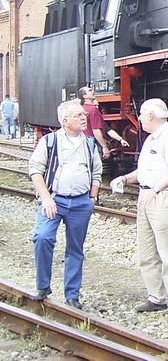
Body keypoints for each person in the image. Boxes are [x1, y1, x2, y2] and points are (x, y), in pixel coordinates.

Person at [109, 98, 168, 315]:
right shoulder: (152, 139)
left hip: (164, 196)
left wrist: (155, 190)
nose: (140, 119)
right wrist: (125, 179)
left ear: (152, 116)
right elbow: (145, 172)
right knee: (147, 250)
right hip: (147, 195)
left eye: (142, 115)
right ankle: (156, 296)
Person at [28, 100, 102, 309]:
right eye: (78, 115)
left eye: (82, 114)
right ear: (65, 120)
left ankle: (72, 294)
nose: (83, 117)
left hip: (80, 202)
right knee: (42, 237)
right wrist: (46, 198)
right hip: (54, 199)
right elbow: (35, 170)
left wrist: (92, 197)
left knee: (75, 249)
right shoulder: (49, 141)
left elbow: (96, 171)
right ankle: (43, 285)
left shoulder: (89, 143)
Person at [78, 86, 129, 159]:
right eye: (90, 90)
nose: (93, 91)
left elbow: (107, 129)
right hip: (92, 143)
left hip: (83, 142)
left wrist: (120, 139)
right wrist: (104, 147)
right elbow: (96, 130)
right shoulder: (93, 110)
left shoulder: (81, 109)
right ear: (85, 96)